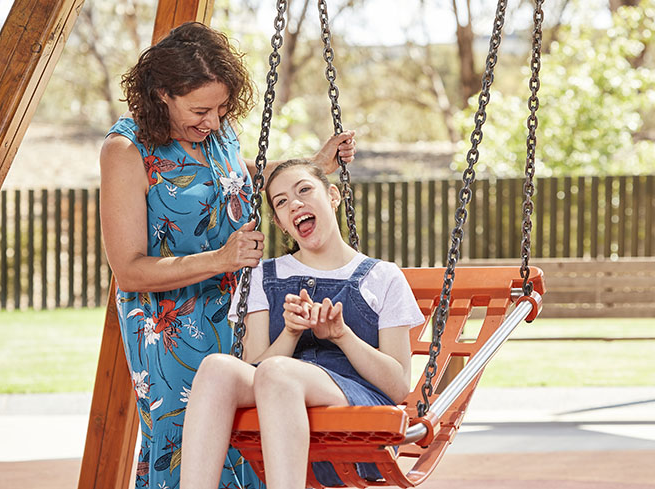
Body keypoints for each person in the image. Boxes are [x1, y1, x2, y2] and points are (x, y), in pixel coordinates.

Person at [99, 22, 356, 489]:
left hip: (243, 315)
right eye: (201, 110)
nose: (213, 121)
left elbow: (242, 176)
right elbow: (129, 270)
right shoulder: (126, 150)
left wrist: (314, 166)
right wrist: (221, 258)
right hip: (171, 328)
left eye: (221, 108)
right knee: (185, 448)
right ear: (161, 94)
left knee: (254, 439)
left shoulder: (218, 132)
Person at [178, 159, 424, 489]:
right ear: (281, 223)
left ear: (332, 195)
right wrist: (291, 333)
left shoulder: (382, 277)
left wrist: (342, 335)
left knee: (278, 370)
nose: (294, 203)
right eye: (281, 202)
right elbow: (257, 366)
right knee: (216, 368)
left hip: (358, 421)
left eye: (304, 190)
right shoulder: (262, 276)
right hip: (282, 402)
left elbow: (397, 386)